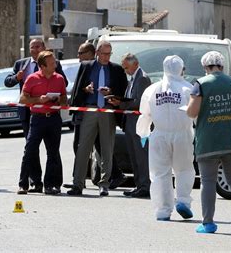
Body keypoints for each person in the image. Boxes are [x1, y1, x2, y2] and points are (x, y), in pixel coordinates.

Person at [186, 51, 231, 233]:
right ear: (222, 66)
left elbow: (192, 112)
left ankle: (208, 222)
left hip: (208, 140)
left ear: (205, 67)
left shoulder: (201, 84)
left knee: (208, 181)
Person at [136, 55, 195, 221]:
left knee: (160, 173)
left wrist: (143, 133)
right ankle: (183, 201)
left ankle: (163, 210)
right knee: (184, 169)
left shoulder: (152, 89)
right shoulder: (188, 88)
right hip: (182, 134)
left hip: (159, 135)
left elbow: (144, 114)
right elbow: (195, 112)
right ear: (181, 69)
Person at [5, 38, 67, 193]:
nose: (55, 65)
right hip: (35, 118)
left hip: (53, 118)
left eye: (37, 46)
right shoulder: (30, 76)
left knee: (53, 153)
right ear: (42, 66)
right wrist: (39, 100)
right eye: (32, 47)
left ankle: (49, 185)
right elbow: (22, 98)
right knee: (30, 150)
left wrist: (57, 99)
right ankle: (25, 183)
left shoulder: (58, 77)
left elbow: (64, 98)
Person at [67, 40, 127, 196]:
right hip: (90, 109)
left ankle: (104, 183)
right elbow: (78, 88)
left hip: (107, 110)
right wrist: (85, 89)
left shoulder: (116, 70)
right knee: (83, 147)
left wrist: (111, 92)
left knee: (107, 147)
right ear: (97, 53)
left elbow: (122, 90)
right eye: (105, 53)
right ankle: (78, 184)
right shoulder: (86, 66)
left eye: (109, 53)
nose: (107, 57)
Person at [108, 53, 152, 198]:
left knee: (141, 156)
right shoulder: (134, 78)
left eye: (127, 68)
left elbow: (140, 102)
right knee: (134, 156)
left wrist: (120, 103)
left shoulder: (142, 78)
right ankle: (139, 185)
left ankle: (145, 186)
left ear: (135, 64)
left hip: (138, 124)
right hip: (130, 123)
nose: (126, 71)